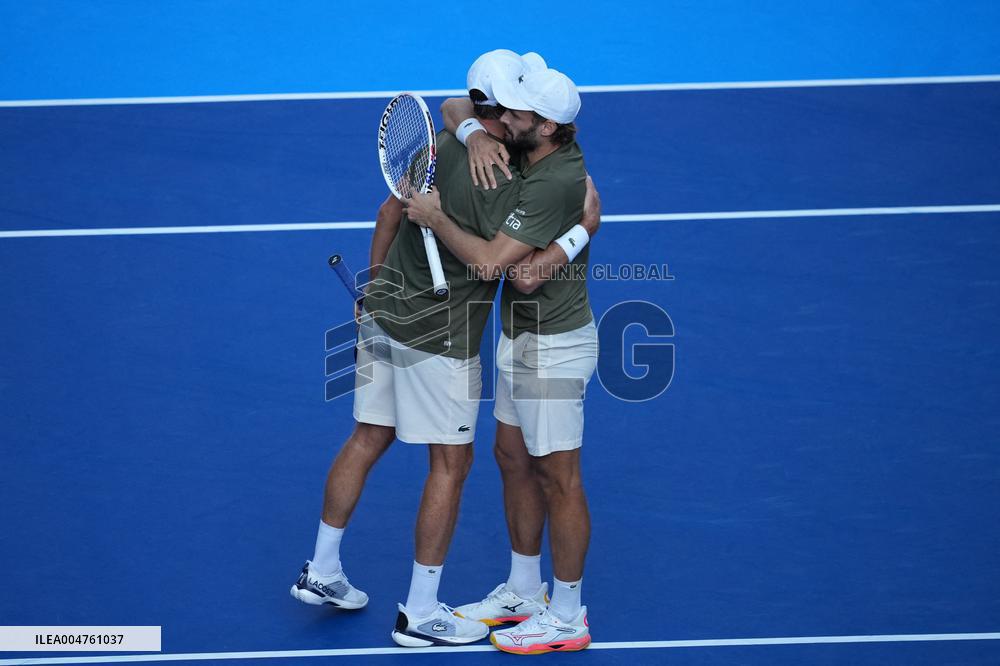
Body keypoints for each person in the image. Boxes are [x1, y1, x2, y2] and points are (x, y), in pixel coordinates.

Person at [289, 50, 600, 649]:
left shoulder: (435, 143)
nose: (511, 117)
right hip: (443, 337)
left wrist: (374, 288)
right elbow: (494, 266)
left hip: (384, 316)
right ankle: (423, 611)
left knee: (366, 437)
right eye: (508, 107)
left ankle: (322, 570)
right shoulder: (504, 173)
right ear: (500, 110)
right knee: (451, 465)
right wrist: (584, 225)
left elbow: (389, 211)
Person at [405, 66, 597, 655]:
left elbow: (506, 271)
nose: (499, 118)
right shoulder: (536, 146)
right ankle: (523, 588)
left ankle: (567, 615)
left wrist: (435, 218)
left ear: (545, 126)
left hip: (553, 346)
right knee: (512, 457)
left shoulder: (549, 184)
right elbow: (452, 108)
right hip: (518, 338)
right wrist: (473, 134)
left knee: (558, 476)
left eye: (512, 115)